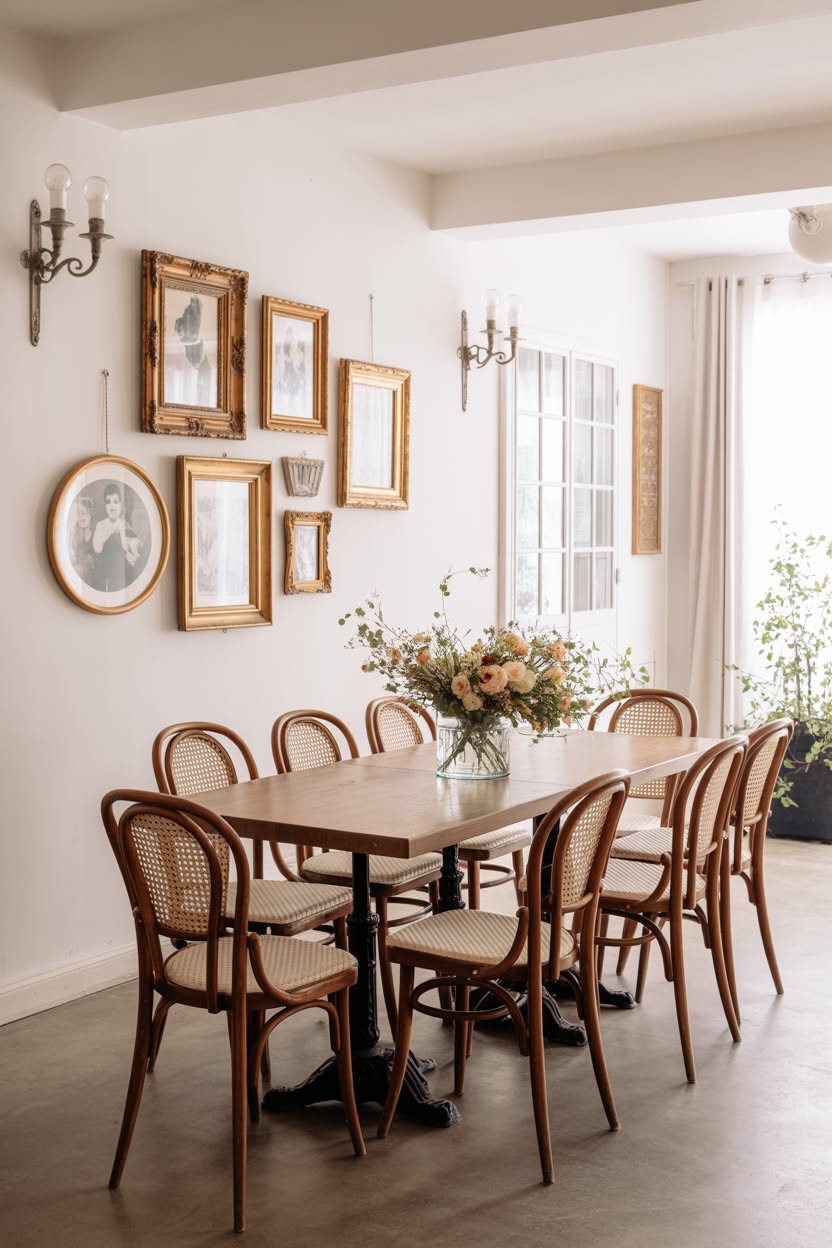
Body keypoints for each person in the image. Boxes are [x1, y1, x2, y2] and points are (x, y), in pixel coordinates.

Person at [92, 484, 143, 591]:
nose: (112, 506)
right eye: (108, 502)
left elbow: (132, 555)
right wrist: (109, 532)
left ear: (121, 505)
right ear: (105, 506)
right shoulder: (100, 525)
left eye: (116, 501)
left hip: (121, 577)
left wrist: (132, 553)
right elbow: (97, 549)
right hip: (104, 576)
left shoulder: (125, 526)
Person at [70, 495, 95, 583]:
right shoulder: (74, 532)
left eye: (84, 513)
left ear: (90, 513)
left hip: (92, 577)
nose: (82, 516)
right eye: (79, 513)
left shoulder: (96, 532)